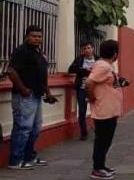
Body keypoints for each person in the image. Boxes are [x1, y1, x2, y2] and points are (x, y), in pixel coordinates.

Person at [6, 25, 57, 170]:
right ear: (27, 36)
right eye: (34, 36)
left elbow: (42, 75)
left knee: (35, 128)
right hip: (24, 96)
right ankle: (16, 160)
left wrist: (48, 92)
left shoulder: (38, 52)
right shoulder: (21, 51)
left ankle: (29, 157)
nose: (37, 39)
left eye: (39, 36)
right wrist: (23, 89)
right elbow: (11, 71)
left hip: (37, 95)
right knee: (23, 127)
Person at [86, 40, 125, 180]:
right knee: (102, 140)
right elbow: (89, 82)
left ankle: (102, 166)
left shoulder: (106, 66)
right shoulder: (103, 66)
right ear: (115, 53)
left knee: (106, 140)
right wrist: (91, 98)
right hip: (104, 110)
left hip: (110, 110)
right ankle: (97, 169)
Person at [68, 42, 96, 140]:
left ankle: (99, 131)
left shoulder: (98, 60)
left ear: (93, 49)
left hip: (96, 89)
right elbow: (70, 69)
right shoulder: (79, 59)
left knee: (97, 110)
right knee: (82, 112)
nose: (87, 50)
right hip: (82, 89)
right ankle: (84, 133)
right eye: (84, 48)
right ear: (82, 50)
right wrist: (84, 70)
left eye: (89, 48)